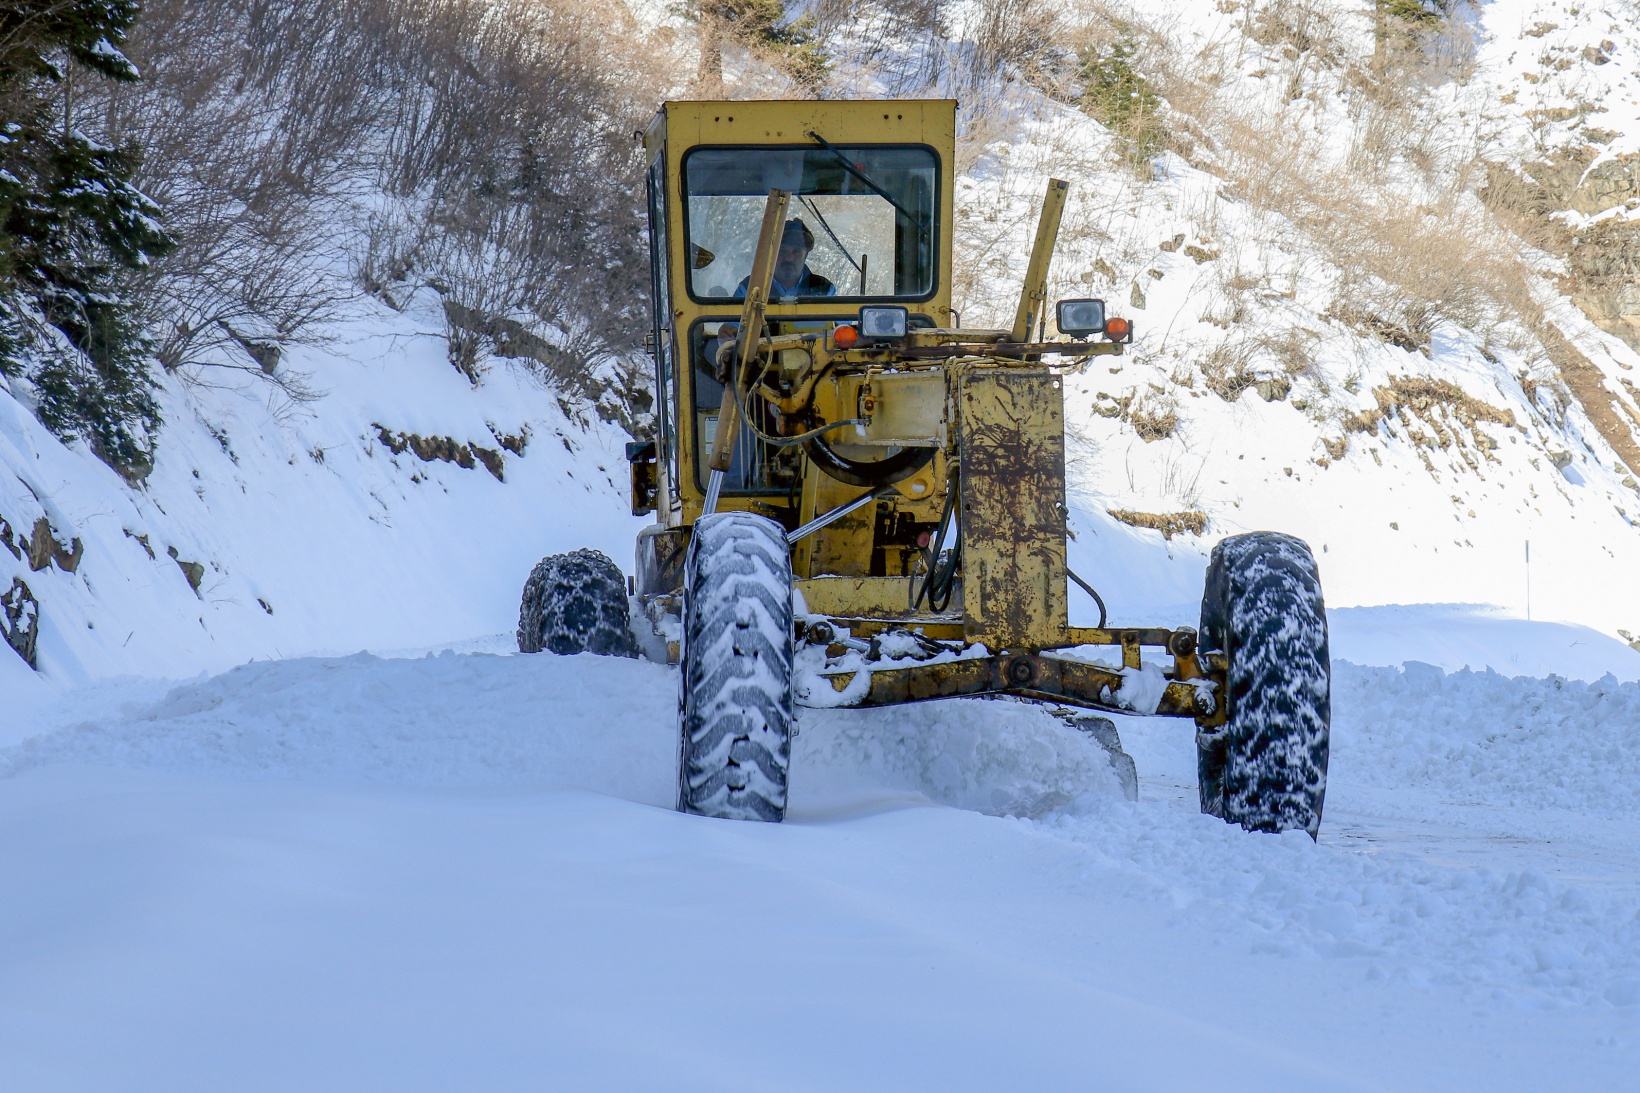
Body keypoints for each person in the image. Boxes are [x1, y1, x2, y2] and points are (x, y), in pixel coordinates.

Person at [734, 219, 836, 300]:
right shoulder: (750, 288)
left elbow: (841, 326)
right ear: (772, 254)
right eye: (782, 251)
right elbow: (732, 325)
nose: (789, 258)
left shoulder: (824, 290)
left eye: (796, 252)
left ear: (805, 255)